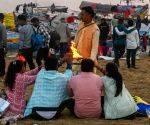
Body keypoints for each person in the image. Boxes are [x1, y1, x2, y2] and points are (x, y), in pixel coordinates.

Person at [24, 55, 73, 120]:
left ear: (45, 66)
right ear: (57, 66)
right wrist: (68, 63)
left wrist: (58, 63)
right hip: (53, 112)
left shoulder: (40, 74)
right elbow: (69, 74)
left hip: (35, 111)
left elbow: (43, 67)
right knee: (69, 99)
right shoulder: (63, 78)